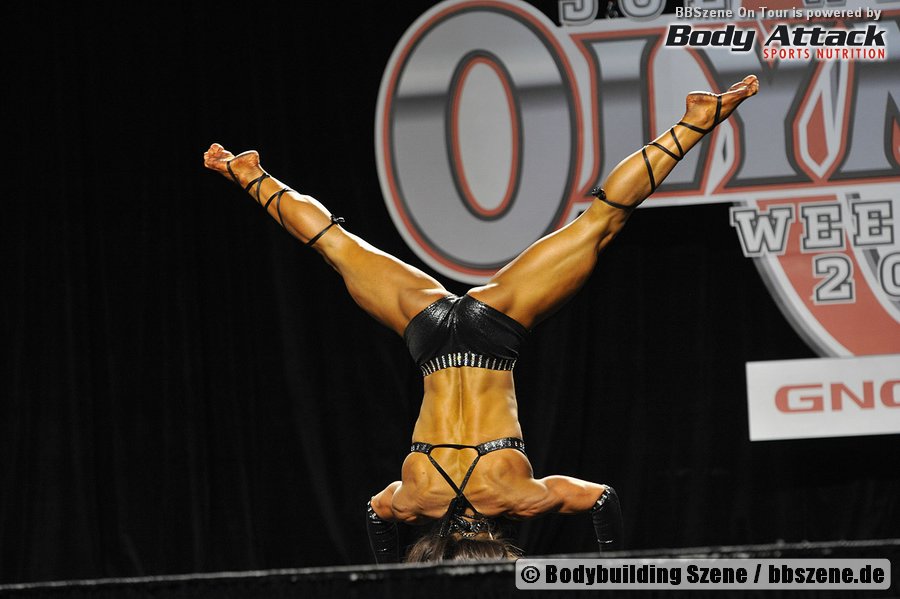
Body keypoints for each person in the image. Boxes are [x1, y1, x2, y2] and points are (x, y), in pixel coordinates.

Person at [203, 75, 759, 563]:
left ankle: (696, 120)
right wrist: (388, 576)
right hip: (430, 336)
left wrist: (611, 574)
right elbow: (376, 512)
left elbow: (600, 498)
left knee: (601, 222)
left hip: (493, 334)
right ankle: (251, 176)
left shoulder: (517, 499)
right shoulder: (414, 500)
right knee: (336, 245)